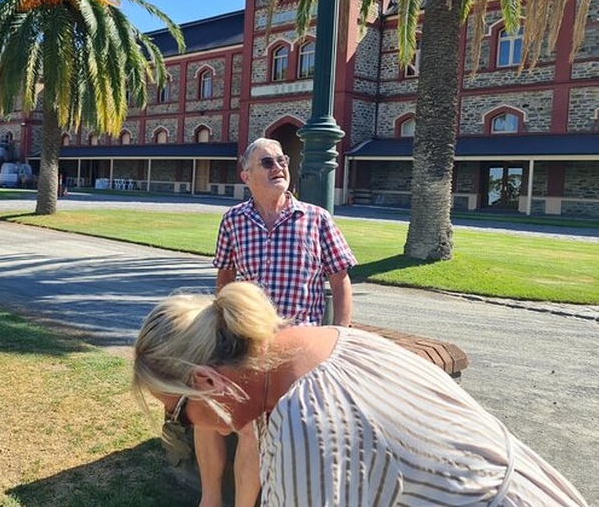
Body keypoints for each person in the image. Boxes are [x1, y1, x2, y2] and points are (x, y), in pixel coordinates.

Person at [133, 282, 589, 507]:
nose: (182, 427)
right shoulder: (322, 343)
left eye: (177, 415)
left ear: (208, 383)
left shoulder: (305, 427)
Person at [197, 137, 358, 506]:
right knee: (203, 400)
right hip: (245, 337)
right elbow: (225, 275)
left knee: (253, 426)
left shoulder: (316, 219)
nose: (279, 167)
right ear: (246, 175)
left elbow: (340, 280)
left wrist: (342, 333)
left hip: (296, 345)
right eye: (267, 162)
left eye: (282, 160)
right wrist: (222, 319)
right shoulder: (234, 220)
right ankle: (209, 498)